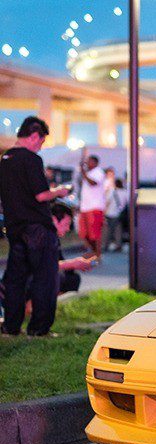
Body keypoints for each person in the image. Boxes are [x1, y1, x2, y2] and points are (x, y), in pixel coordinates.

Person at [0, 116, 70, 336]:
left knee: (16, 280)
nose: (40, 147)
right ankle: (39, 329)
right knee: (45, 279)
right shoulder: (31, 159)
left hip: (15, 228)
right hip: (37, 229)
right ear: (33, 136)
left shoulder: (5, 159)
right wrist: (59, 192)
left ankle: (11, 327)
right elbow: (41, 195)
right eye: (41, 141)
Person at [78, 153, 106, 259]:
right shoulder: (88, 173)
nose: (87, 163)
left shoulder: (99, 172)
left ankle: (97, 254)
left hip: (95, 207)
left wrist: (84, 173)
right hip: (85, 207)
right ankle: (92, 251)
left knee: (95, 233)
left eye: (89, 161)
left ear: (95, 162)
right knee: (84, 233)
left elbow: (93, 183)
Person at [104, 177, 127, 252]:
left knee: (108, 230)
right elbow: (127, 203)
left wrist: (104, 212)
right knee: (118, 229)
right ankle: (118, 245)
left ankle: (105, 245)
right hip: (118, 214)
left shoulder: (112, 191)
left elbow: (107, 202)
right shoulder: (125, 192)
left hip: (109, 213)